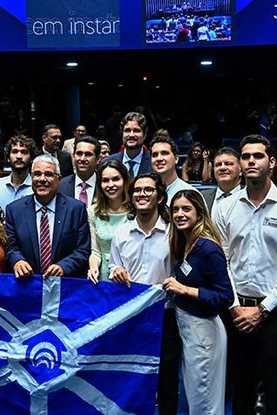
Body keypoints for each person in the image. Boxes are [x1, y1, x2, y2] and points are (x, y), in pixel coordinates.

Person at [213, 134, 277, 415]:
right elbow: (222, 262)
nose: (251, 161)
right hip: (236, 310)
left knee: (276, 388)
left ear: (272, 161)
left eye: (257, 156)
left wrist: (262, 310)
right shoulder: (225, 207)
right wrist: (234, 307)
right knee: (239, 388)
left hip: (276, 312)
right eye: (246, 157)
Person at [108, 172, 178, 415]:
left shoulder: (173, 233)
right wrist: (115, 269)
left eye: (148, 190)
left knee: (167, 380)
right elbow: (112, 266)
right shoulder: (121, 233)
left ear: (159, 196)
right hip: (131, 319)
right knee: (130, 380)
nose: (142, 194)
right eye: (137, 190)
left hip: (165, 318)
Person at [162, 190, 233, 415]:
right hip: (189, 329)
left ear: (199, 212)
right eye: (175, 210)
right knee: (196, 396)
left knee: (205, 400)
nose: (179, 214)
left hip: (205, 332)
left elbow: (225, 297)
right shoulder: (185, 242)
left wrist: (185, 289)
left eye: (186, 209)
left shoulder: (207, 248)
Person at [6, 154, 90, 278]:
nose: (42, 179)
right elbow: (10, 247)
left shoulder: (76, 209)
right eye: (37, 174)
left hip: (65, 285)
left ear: (59, 179)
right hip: (27, 283)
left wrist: (64, 266)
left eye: (49, 174)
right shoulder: (14, 210)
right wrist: (17, 261)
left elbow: (82, 249)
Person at [87, 159, 133, 284]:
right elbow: (96, 251)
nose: (110, 184)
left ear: (124, 181)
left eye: (116, 179)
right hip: (105, 277)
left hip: (132, 274)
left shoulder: (135, 210)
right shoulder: (93, 212)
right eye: (105, 180)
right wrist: (93, 268)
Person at [0, 135, 36, 211]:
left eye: (24, 152)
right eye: (15, 152)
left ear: (31, 158)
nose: (19, 156)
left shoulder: (38, 187)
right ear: (8, 158)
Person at [150, 135, 203, 205]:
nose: (159, 158)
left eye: (164, 153)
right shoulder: (144, 193)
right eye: (155, 155)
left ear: (176, 159)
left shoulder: (191, 194)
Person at [104, 111, 153, 178]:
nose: (131, 135)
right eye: (127, 130)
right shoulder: (106, 162)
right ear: (122, 134)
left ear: (144, 135)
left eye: (136, 130)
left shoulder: (153, 161)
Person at [58, 135, 100, 205]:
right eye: (79, 154)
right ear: (73, 156)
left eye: (88, 154)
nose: (82, 159)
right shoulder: (62, 185)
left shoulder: (104, 184)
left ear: (98, 159)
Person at [202, 147, 242, 217]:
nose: (222, 168)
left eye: (228, 164)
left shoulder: (252, 196)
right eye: (218, 165)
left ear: (240, 170)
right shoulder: (203, 197)